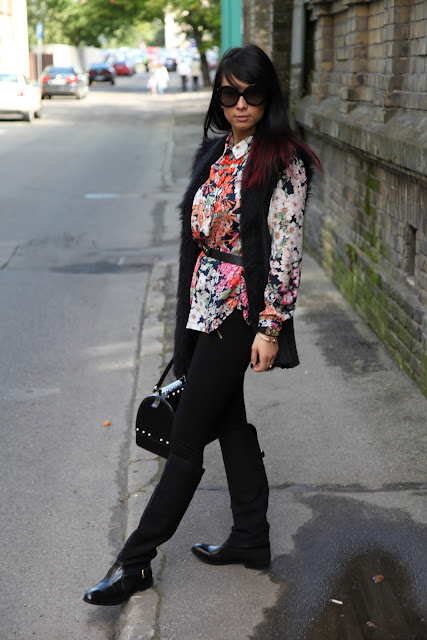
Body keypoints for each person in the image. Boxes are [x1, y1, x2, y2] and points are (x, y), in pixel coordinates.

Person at [83, 43, 321, 607]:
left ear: (268, 96)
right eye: (230, 93)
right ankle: (251, 536)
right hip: (204, 305)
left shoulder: (283, 160)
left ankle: (134, 562)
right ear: (219, 96)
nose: (240, 104)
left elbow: (286, 253)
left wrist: (269, 328)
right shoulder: (217, 152)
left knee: (186, 440)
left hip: (240, 310)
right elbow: (198, 233)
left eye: (252, 93)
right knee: (229, 420)